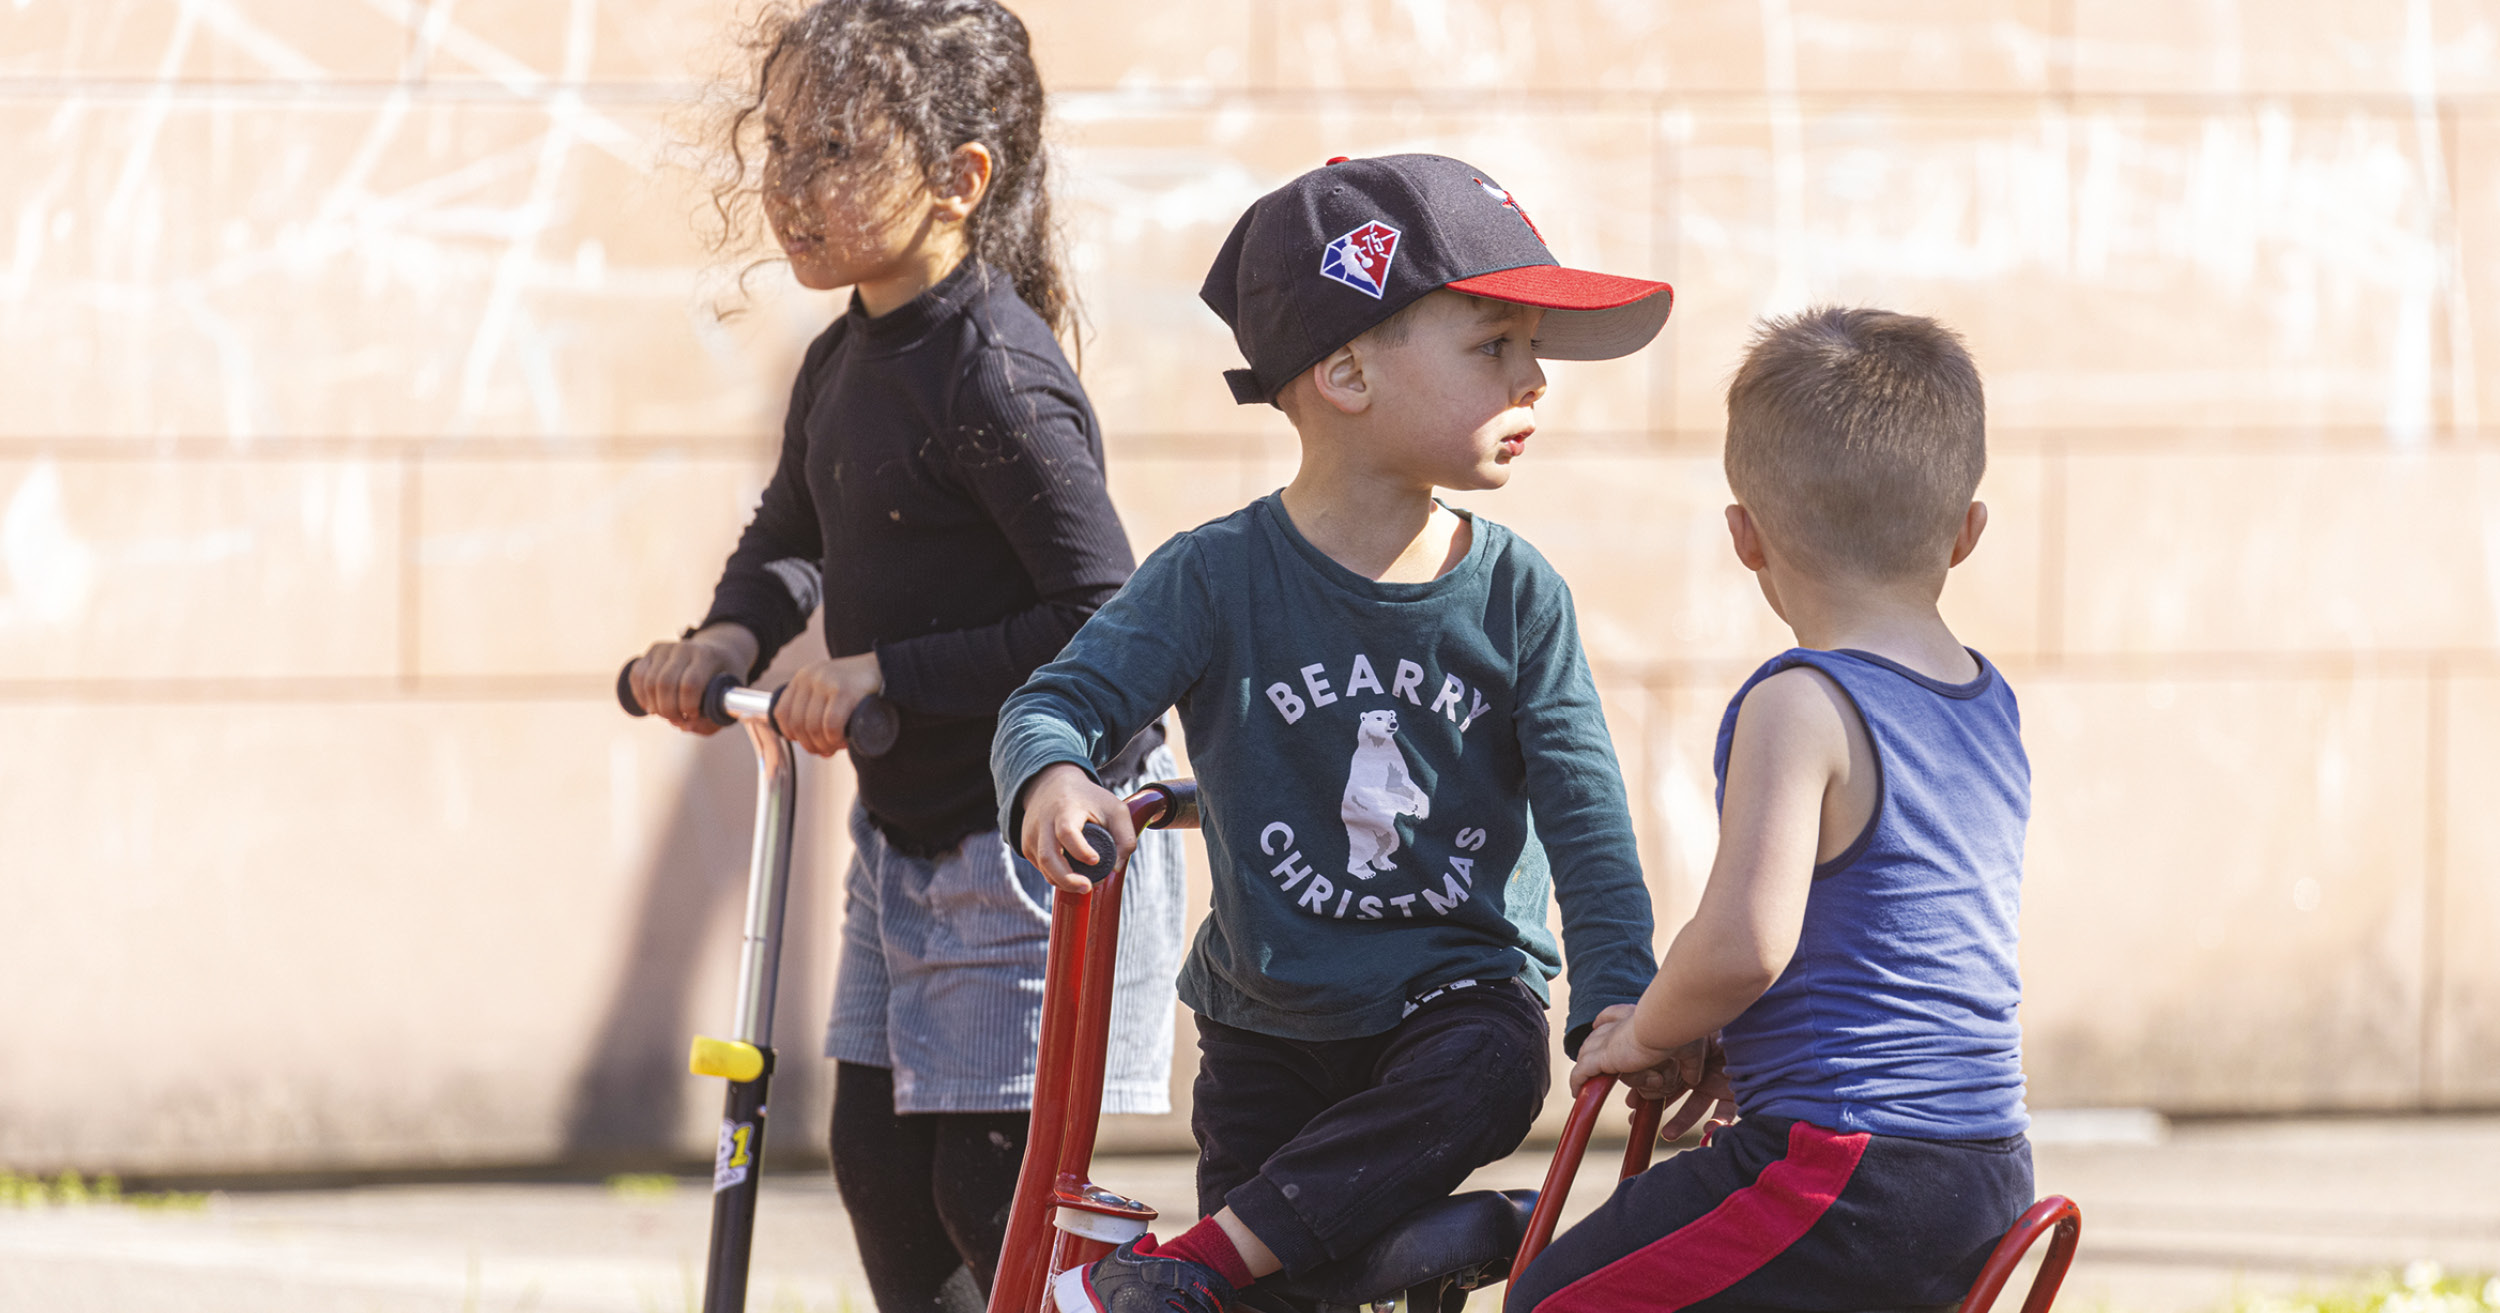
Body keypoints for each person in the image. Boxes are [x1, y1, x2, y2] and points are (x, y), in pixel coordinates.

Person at [991, 154, 1674, 1313]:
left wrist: (1618, 995)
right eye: (1494, 345)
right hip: (1268, 1020)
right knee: (1275, 1280)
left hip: (1455, 1002)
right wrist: (1054, 775)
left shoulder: (1517, 596)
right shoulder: (1214, 577)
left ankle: (1209, 1257)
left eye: (1534, 351)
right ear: (1346, 371)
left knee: (1478, 1078)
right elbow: (1050, 703)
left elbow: (1585, 816)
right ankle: (1378, 1248)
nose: (1534, 380)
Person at [625, 4, 1182, 1310]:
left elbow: (1109, 613)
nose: (787, 185)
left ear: (960, 180)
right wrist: (725, 638)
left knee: (987, 1196)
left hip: (1029, 844)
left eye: (832, 149)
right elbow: (795, 536)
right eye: (776, 146)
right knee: (874, 1164)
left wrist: (890, 676)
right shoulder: (842, 360)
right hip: (911, 833)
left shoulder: (994, 373)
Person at [1506, 307, 2034, 1313]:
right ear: (1967, 532)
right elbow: (1898, 931)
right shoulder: (1984, 696)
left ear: (1744, 536)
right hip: (1985, 1170)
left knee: (1551, 1300)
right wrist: (1753, 1049)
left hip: (1844, 1169)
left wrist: (1646, 1030)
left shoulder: (1802, 702)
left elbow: (1745, 939)